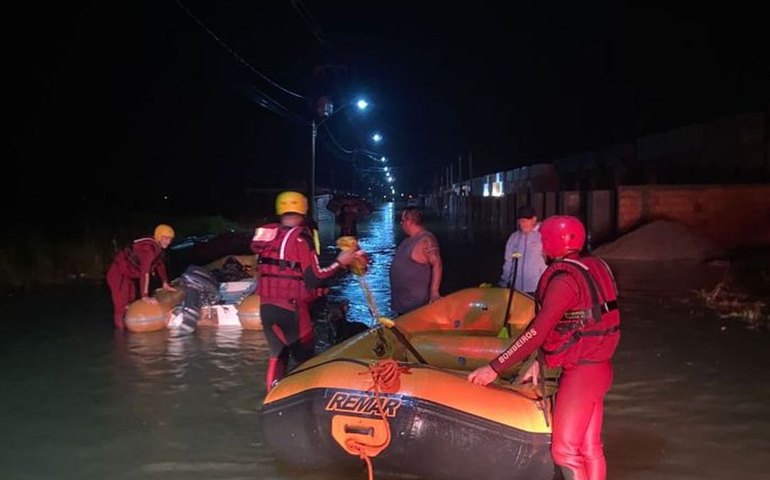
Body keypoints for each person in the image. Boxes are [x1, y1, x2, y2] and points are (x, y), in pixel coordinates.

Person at [468, 215, 620, 480]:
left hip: (582, 375)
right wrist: (541, 361)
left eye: (543, 241)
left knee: (565, 451)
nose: (541, 247)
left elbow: (538, 332)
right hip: (600, 369)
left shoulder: (564, 280)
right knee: (590, 447)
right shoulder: (595, 267)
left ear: (551, 243)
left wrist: (495, 367)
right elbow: (580, 323)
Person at [250, 191, 364, 391]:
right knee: (305, 359)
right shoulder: (302, 238)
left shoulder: (269, 236)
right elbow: (314, 278)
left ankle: (272, 398)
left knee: (277, 355)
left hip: (266, 308)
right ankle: (306, 401)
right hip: (291, 310)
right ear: (303, 210)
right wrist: (340, 262)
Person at [106, 224, 177, 330]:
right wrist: (145, 296)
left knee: (130, 303)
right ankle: (120, 337)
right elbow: (145, 272)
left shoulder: (159, 249)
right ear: (158, 237)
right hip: (118, 274)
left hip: (129, 276)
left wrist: (165, 283)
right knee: (121, 307)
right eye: (165, 238)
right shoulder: (148, 249)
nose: (168, 242)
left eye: (170, 239)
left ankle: (129, 330)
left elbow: (160, 265)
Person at [389, 207, 443, 315]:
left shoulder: (426, 240)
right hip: (403, 304)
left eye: (403, 220)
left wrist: (434, 291)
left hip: (416, 305)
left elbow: (437, 263)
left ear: (409, 221)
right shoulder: (408, 239)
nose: (401, 223)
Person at [498, 205, 547, 295]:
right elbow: (508, 262)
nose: (524, 223)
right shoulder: (513, 238)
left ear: (534, 219)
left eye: (527, 220)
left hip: (536, 288)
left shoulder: (542, 237)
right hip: (516, 289)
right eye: (522, 221)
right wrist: (503, 283)